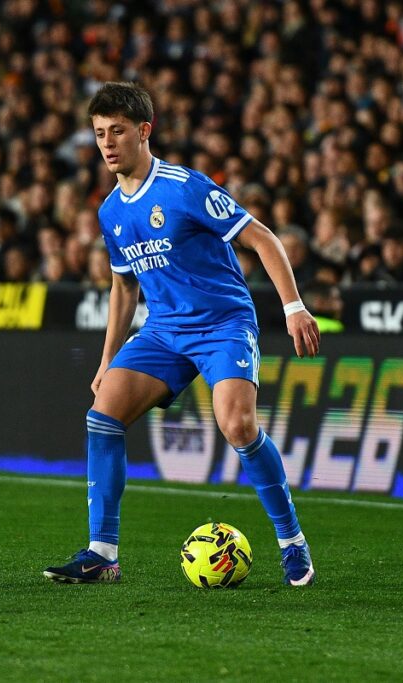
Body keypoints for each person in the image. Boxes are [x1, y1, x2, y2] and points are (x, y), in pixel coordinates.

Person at [43, 82, 320, 587]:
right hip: (165, 331)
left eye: (117, 131)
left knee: (238, 427)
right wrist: (106, 361)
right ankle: (102, 554)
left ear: (144, 131)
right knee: (103, 415)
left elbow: (262, 238)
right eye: (100, 133)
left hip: (223, 324)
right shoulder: (111, 211)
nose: (107, 143)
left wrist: (294, 307)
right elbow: (123, 287)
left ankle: (291, 541)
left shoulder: (184, 187)